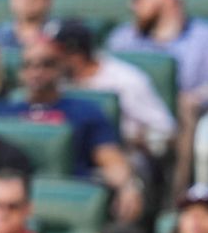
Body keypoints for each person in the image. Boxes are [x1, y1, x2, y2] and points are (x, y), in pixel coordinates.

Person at [106, 0, 208, 199]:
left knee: (185, 108)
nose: (132, 4)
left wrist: (195, 98)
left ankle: (176, 199)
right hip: (133, 125)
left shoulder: (205, 36)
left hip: (180, 126)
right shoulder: (123, 38)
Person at [0, 38, 145, 223]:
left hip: (70, 200)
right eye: (28, 65)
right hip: (9, 201)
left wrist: (127, 186)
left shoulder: (85, 111)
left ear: (61, 68)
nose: (36, 72)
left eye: (46, 64)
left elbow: (110, 159)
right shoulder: (2, 113)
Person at [51, 19, 176, 158]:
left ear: (75, 56)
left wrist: (130, 136)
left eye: (53, 56)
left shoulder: (125, 80)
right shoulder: (55, 81)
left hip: (125, 155)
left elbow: (165, 129)